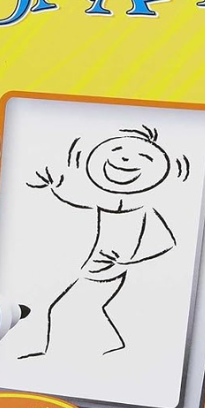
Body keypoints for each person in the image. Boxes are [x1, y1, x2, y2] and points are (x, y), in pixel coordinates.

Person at [20, 126, 178, 358]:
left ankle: (84, 351)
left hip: (108, 273)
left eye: (143, 157)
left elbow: (166, 242)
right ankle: (110, 348)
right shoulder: (107, 203)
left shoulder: (143, 210)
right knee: (84, 308)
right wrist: (54, 186)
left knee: (65, 308)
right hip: (94, 269)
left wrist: (126, 262)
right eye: (117, 150)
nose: (125, 159)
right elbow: (76, 201)